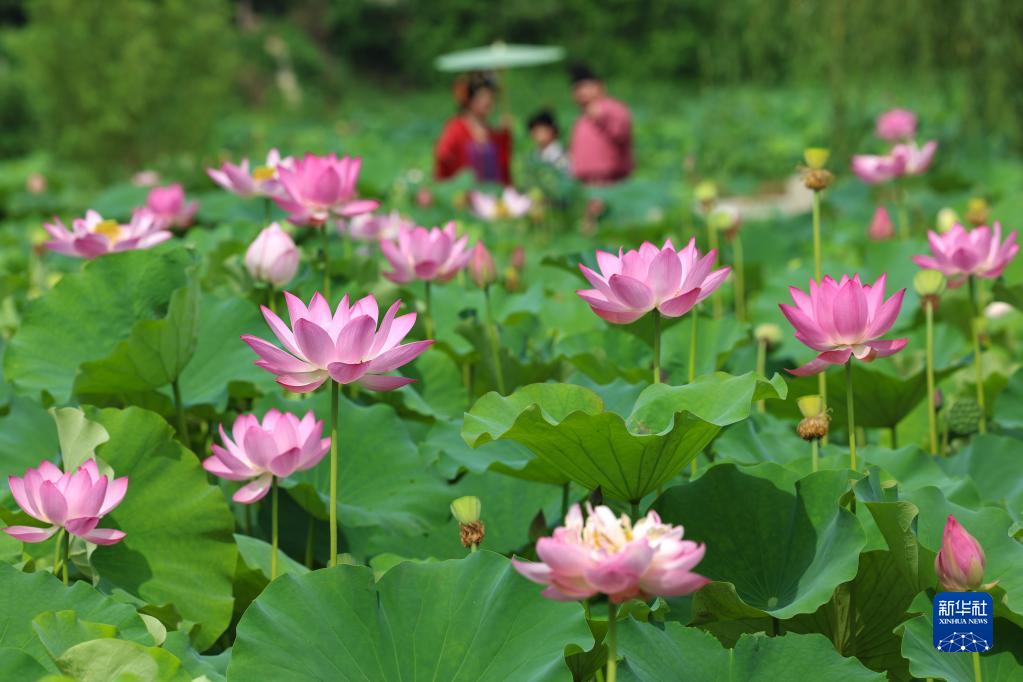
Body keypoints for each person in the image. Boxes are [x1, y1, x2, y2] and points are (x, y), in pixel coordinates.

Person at [434, 72, 512, 185]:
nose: (488, 101)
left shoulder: (492, 133)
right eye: (482, 97)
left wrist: (505, 136)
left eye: (490, 97)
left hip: (492, 191)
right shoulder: (456, 128)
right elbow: (443, 157)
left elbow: (503, 165)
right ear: (469, 99)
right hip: (465, 192)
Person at [568, 64, 634, 184]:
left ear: (599, 87)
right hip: (585, 182)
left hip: (609, 180)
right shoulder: (582, 119)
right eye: (577, 88)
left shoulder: (613, 108)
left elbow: (621, 133)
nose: (581, 92)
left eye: (586, 87)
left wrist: (603, 117)